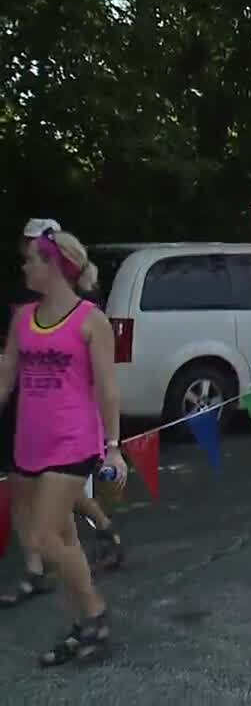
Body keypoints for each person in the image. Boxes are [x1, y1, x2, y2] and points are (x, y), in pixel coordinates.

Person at [0, 228, 127, 666]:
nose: (24, 267)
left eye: (31, 259)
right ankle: (79, 625)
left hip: (74, 441)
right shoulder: (23, 318)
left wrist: (113, 447)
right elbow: (6, 376)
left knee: (40, 536)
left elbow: (108, 389)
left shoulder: (91, 320)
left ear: (54, 265)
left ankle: (96, 614)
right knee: (65, 540)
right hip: (30, 441)